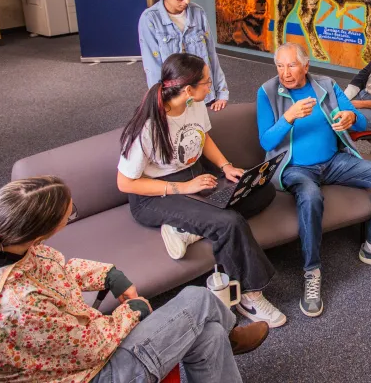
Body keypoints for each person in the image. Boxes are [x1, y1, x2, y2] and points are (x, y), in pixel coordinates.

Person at [0, 176, 270, 383]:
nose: (72, 215)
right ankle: (230, 333)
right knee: (198, 301)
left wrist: (107, 274)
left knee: (206, 333)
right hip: (92, 373)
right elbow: (92, 347)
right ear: (39, 235)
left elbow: (46, 269)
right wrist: (132, 311)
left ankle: (224, 334)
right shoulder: (21, 306)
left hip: (61, 354)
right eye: (70, 215)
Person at [117, 53, 286, 328]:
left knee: (261, 189)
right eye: (207, 83)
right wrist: (183, 187)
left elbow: (203, 136)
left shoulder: (194, 105)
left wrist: (226, 166)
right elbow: (125, 183)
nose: (211, 87)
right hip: (153, 197)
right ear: (187, 89)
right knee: (229, 223)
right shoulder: (148, 126)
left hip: (193, 178)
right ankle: (249, 294)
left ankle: (188, 230)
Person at [257, 42, 371, 318]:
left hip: (333, 161)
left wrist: (350, 116)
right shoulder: (267, 92)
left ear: (305, 65)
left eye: (291, 65)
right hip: (295, 168)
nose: (285, 72)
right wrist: (288, 118)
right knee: (311, 196)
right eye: (280, 65)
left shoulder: (326, 85)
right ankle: (312, 271)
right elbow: (266, 141)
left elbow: (361, 123)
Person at [139, 0, 231, 112]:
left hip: (203, 96)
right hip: (174, 101)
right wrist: (161, 104)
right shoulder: (150, 19)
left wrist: (221, 92)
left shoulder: (198, 13)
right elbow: (153, 68)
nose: (186, 0)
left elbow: (211, 56)